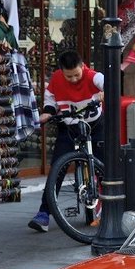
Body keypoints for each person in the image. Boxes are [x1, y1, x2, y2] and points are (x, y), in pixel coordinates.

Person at [28, 50, 104, 232]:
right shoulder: (56, 79)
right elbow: (50, 99)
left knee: (104, 167)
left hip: (95, 125)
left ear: (82, 67)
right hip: (69, 126)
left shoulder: (93, 76)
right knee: (57, 168)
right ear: (61, 71)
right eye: (68, 76)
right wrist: (47, 112)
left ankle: (109, 210)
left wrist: (104, 93)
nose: (73, 79)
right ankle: (43, 214)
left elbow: (109, 82)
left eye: (76, 74)